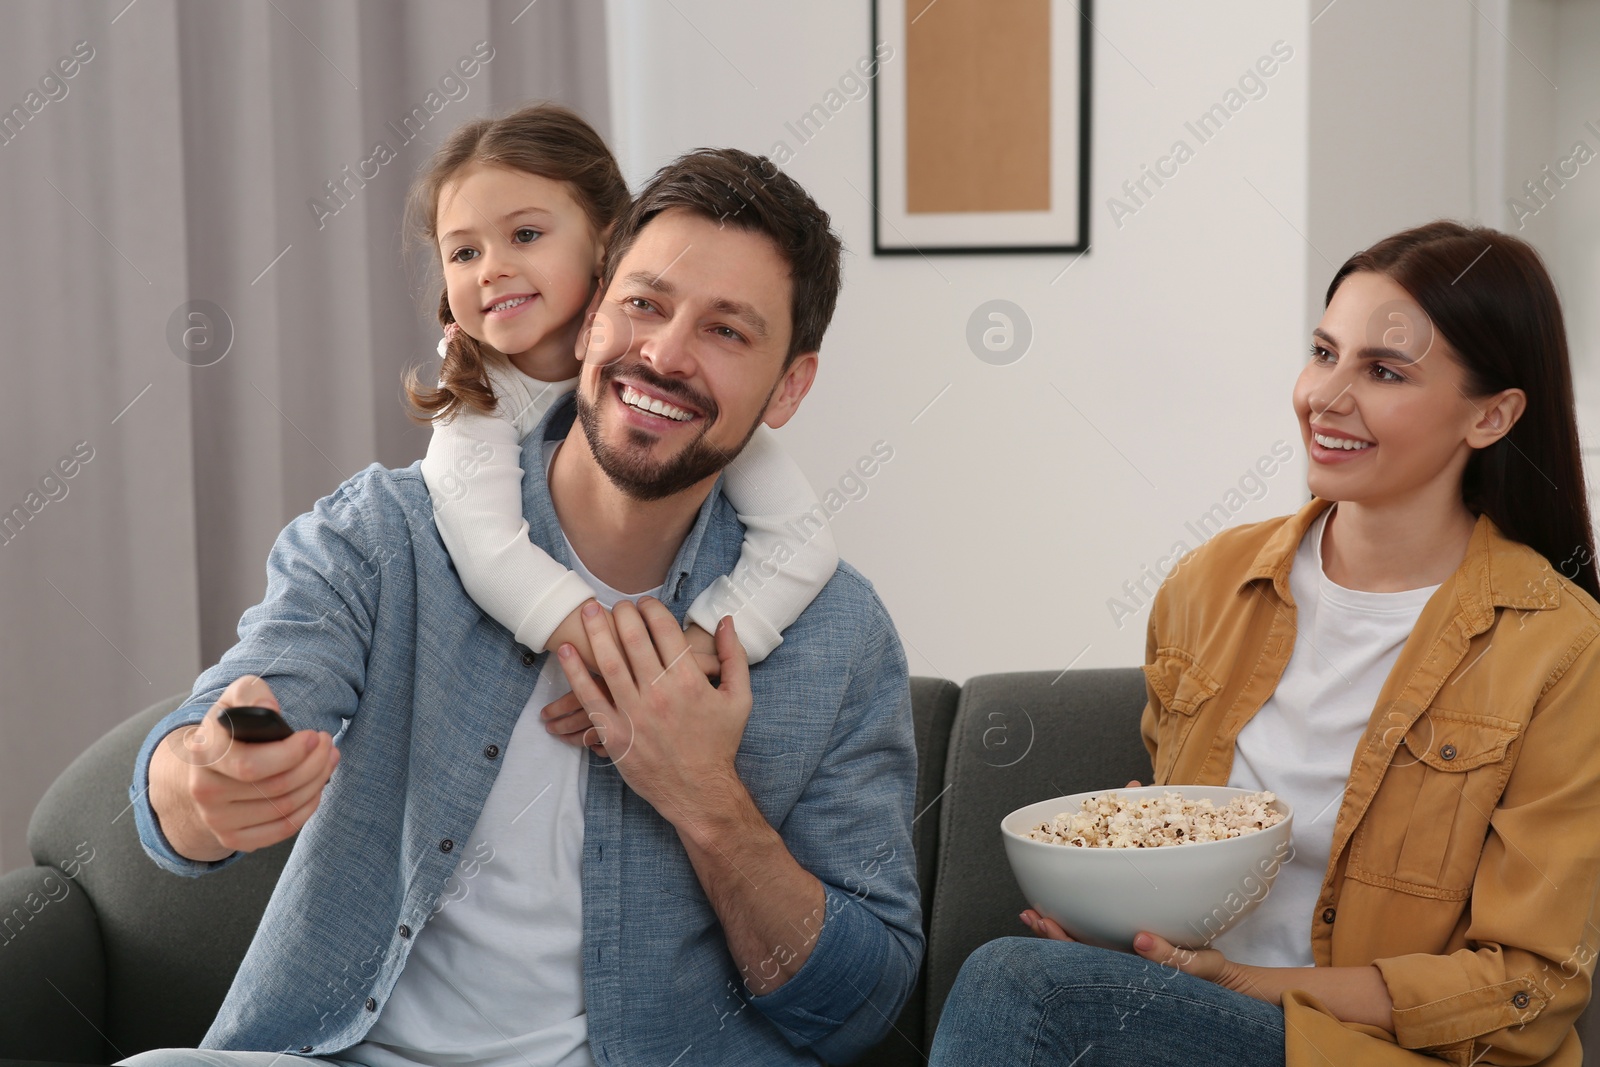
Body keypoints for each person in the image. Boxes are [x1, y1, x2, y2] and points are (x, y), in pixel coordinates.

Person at [122, 143, 921, 1067]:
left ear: (790, 387)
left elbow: (860, 1010)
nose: (663, 354)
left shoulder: (839, 636)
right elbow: (199, 764)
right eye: (644, 304)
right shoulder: (385, 538)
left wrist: (706, 799)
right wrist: (197, 780)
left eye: (727, 332)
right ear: (589, 316)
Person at [929, 221, 1600, 1066]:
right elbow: (1190, 852)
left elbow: (1528, 986)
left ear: (1493, 415)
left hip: (1379, 1053)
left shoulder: (1561, 647)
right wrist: (1123, 908)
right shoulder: (1210, 585)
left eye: (1384, 371)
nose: (1327, 396)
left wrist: (1236, 982)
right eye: (1325, 353)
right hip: (1199, 1023)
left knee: (1015, 983)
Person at [410, 103, 838, 685]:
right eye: (464, 252)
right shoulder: (476, 392)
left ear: (606, 248)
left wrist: (692, 657)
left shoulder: (705, 414)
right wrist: (625, 672)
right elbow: (486, 552)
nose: (490, 270)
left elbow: (802, 542)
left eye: (526, 235)